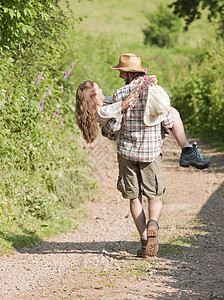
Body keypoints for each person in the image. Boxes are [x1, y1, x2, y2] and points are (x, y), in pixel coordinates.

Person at [99, 53, 210, 258]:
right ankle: (153, 224)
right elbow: (167, 121)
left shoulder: (119, 94)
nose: (120, 76)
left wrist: (105, 132)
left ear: (129, 73)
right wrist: (161, 135)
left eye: (121, 72)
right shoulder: (154, 91)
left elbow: (114, 125)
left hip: (126, 152)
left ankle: (144, 241)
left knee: (134, 197)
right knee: (155, 195)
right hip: (150, 152)